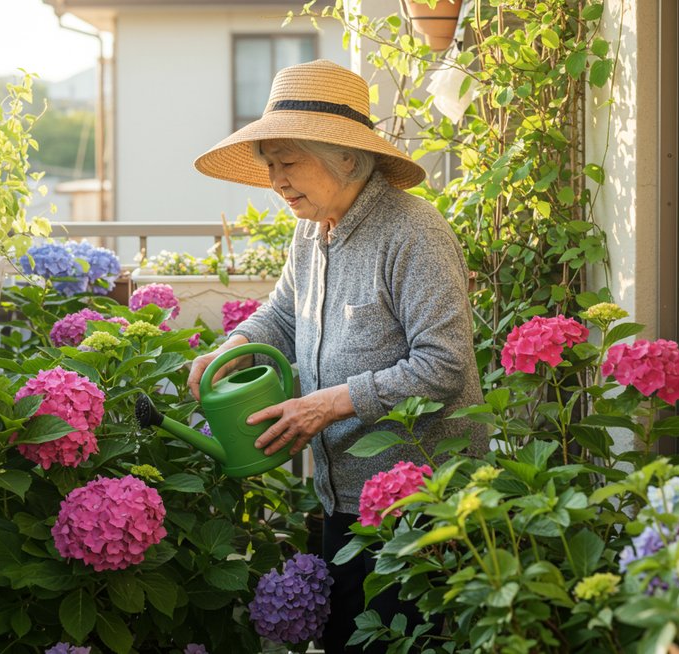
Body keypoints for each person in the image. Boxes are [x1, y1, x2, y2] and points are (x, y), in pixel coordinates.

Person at [188, 59, 487, 653]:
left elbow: (444, 364)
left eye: (288, 162)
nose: (275, 180)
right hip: (343, 496)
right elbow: (281, 312)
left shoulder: (412, 232)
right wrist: (234, 346)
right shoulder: (311, 229)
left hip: (420, 503)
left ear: (345, 157)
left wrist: (327, 405)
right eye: (269, 165)